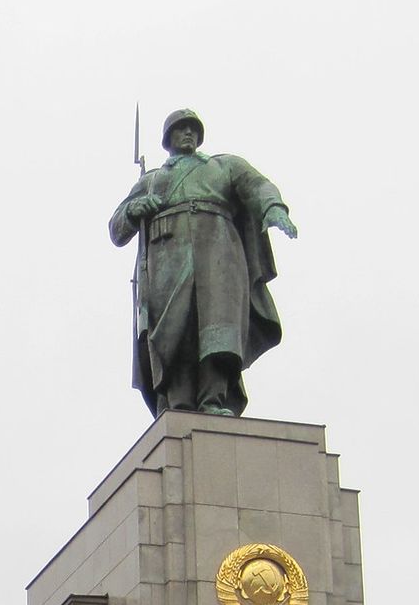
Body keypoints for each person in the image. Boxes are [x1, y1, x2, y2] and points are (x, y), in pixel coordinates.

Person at [109, 109, 297, 418]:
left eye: (193, 129)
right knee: (175, 330)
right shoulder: (152, 179)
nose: (188, 134)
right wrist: (134, 209)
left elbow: (257, 185)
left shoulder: (224, 166)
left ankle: (213, 399)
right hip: (168, 255)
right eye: (180, 129)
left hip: (219, 251)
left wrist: (274, 208)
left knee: (219, 328)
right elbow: (117, 229)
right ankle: (179, 404)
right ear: (167, 138)